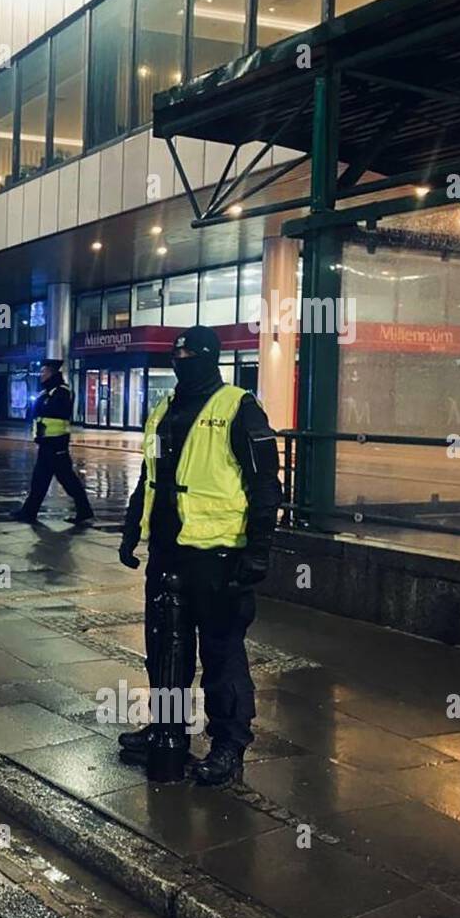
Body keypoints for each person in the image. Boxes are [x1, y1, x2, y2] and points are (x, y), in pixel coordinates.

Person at [116, 325, 281, 786]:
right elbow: (148, 479)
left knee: (222, 652)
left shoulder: (239, 408)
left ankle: (229, 745)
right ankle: (167, 729)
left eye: (188, 352)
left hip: (219, 555)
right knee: (166, 649)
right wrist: (132, 531)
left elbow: (267, 486)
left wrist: (258, 551)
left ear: (210, 357)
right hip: (168, 552)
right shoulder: (163, 409)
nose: (180, 358)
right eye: (176, 351)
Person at [11, 358, 94, 525]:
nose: (41, 375)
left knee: (67, 480)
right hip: (46, 442)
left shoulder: (63, 392)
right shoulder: (45, 393)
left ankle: (84, 510)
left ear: (51, 373)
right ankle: (29, 512)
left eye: (43, 372)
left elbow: (56, 411)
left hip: (57, 444)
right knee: (40, 479)